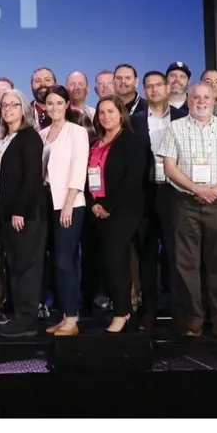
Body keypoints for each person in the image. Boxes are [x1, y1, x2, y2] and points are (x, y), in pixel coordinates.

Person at [161, 81, 217, 336]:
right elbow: (169, 167)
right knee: (187, 263)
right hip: (186, 202)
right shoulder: (175, 127)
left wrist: (215, 189)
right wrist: (197, 189)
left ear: (214, 100)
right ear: (189, 100)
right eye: (196, 97)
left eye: (206, 97)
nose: (201, 102)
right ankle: (193, 317)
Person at [86, 96, 148, 332]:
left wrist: (108, 205)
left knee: (116, 260)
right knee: (108, 261)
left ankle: (122, 312)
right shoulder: (95, 143)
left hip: (124, 210)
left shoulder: (131, 141)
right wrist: (93, 204)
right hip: (98, 209)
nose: (106, 116)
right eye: (101, 112)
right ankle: (120, 309)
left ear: (121, 114)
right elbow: (87, 176)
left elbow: (133, 178)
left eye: (110, 111)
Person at [0, 88, 48, 337]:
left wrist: (19, 211)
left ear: (24, 109)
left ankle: (27, 320)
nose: (8, 109)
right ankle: (19, 316)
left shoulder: (29, 137)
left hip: (25, 214)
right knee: (15, 266)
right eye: (4, 105)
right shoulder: (4, 140)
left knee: (27, 267)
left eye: (13, 105)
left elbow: (32, 177)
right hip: (5, 213)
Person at [137, 69, 186, 329]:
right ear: (144, 90)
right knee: (146, 252)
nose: (154, 89)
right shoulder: (134, 120)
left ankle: (178, 308)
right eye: (149, 86)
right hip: (145, 192)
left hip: (174, 191)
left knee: (175, 252)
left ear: (168, 88)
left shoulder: (183, 117)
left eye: (159, 85)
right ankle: (149, 309)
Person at [39, 83, 88, 336]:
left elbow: (79, 170)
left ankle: (72, 318)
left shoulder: (76, 132)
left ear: (67, 104)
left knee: (64, 260)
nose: (54, 107)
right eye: (50, 103)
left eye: (59, 102)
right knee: (58, 261)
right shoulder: (42, 133)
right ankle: (65, 316)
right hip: (47, 203)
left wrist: (69, 203)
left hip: (69, 204)